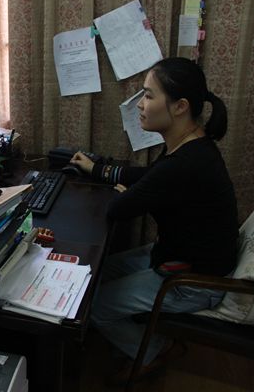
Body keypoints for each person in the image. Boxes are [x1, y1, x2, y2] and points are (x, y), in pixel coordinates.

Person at [70, 57, 239, 383]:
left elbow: (118, 209)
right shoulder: (191, 145)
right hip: (174, 257)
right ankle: (138, 341)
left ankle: (155, 351)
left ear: (180, 107)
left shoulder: (185, 164)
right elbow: (149, 176)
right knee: (94, 274)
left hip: (192, 282)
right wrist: (98, 170)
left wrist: (128, 194)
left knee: (95, 305)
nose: (140, 105)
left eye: (148, 95)